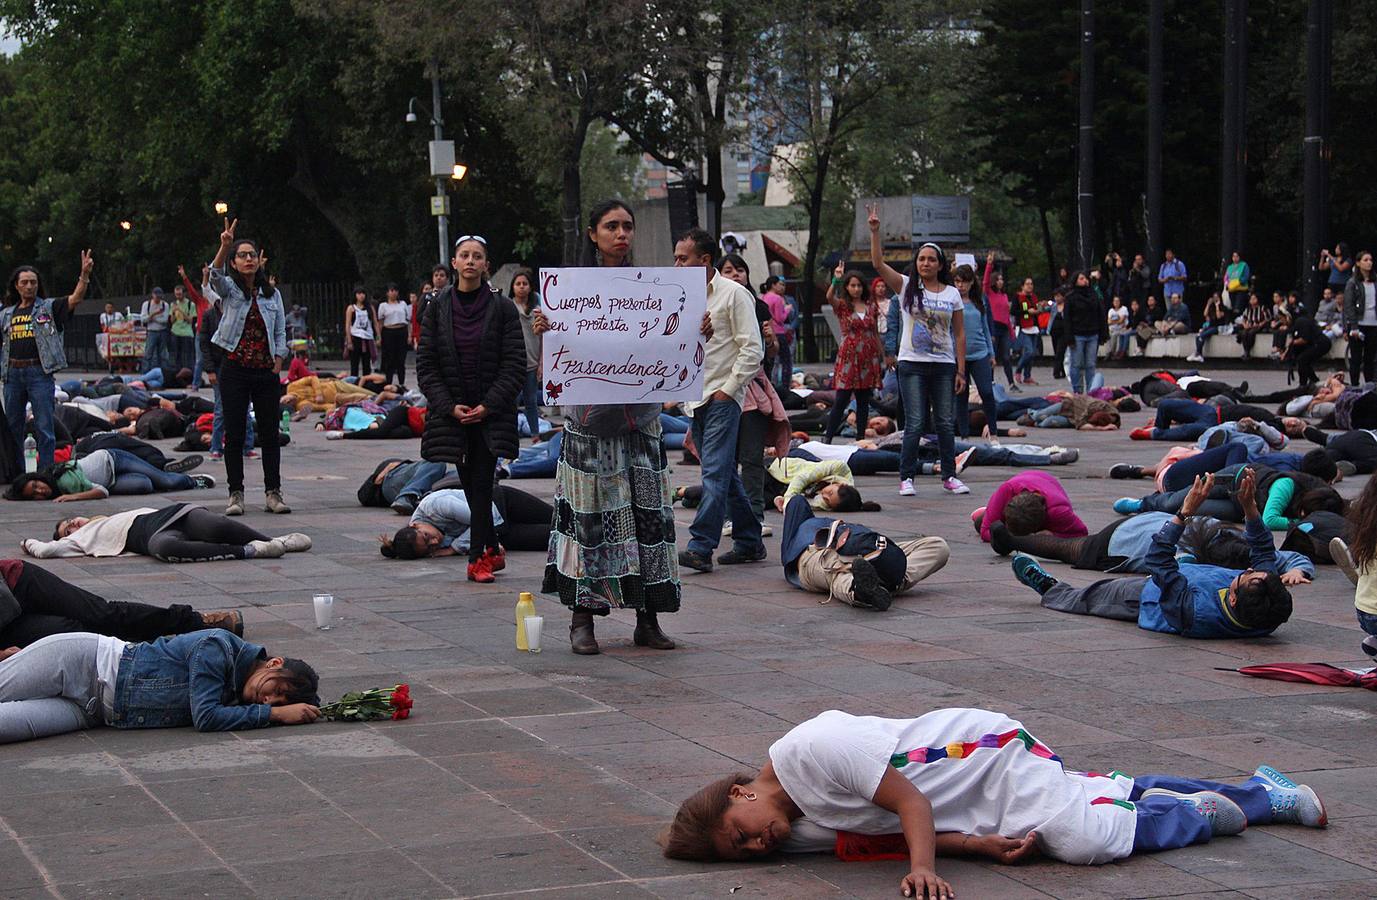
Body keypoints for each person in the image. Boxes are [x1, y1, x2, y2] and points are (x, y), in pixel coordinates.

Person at [659, 708, 1326, 894]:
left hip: (986, 750)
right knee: (1078, 809)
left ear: (738, 792)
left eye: (741, 832)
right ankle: (1214, 790)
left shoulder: (812, 747)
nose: (759, 844)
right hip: (974, 802)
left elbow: (910, 808)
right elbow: (882, 836)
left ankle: (1224, 807)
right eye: (746, 854)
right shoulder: (795, 827)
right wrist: (975, 847)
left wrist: (924, 868)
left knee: (1083, 841)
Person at [535, 200, 702, 655]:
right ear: (593, 233)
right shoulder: (569, 293)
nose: (621, 233)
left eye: (628, 226)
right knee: (586, 522)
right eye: (611, 226)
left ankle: (648, 619)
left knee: (648, 519)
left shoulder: (656, 288)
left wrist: (695, 328)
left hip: (640, 423)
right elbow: (552, 370)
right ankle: (582, 619)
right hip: (588, 429)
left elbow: (676, 347)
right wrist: (546, 332)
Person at [1015, 471, 1293, 639]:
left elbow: (1159, 560)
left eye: (1245, 578)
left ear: (1232, 599)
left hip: (1146, 598)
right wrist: (1250, 508)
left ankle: (1050, 589)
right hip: (1189, 578)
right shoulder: (1267, 608)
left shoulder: (1193, 610)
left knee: (1090, 597)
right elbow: (1263, 553)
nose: (1248, 570)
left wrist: (1184, 512)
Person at [416, 234, 526, 584]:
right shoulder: (437, 307)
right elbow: (426, 365)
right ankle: (492, 548)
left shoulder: (503, 308)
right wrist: (449, 406)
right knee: (469, 485)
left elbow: (514, 364)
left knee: (481, 482)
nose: (470, 261)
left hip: (491, 414)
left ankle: (477, 559)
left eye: (477, 256)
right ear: (454, 263)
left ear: (485, 265)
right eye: (464, 255)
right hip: (453, 415)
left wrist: (488, 405)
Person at [0, 628, 319, 744]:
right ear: (274, 663)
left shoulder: (238, 696)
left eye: (278, 703)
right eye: (278, 689)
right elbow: (206, 717)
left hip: (94, 711)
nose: (269, 699)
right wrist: (276, 716)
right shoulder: (217, 647)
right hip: (81, 662)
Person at [676, 229, 765, 572]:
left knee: (713, 474)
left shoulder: (734, 294)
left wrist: (729, 388)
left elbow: (752, 349)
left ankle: (700, 547)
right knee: (724, 474)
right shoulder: (681, 297)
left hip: (722, 398)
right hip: (694, 399)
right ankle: (749, 540)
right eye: (675, 258)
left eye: (683, 259)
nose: (676, 265)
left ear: (705, 260)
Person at [871, 204, 967, 496]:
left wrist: (961, 371)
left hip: (944, 365)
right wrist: (875, 232)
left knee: (945, 423)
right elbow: (878, 264)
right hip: (912, 364)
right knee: (914, 423)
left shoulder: (952, 294)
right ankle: (906, 477)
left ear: (940, 265)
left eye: (931, 259)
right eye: (922, 259)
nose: (926, 263)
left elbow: (959, 334)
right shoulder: (906, 287)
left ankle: (949, 476)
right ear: (916, 263)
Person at [991, 513, 1317, 590]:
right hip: (1119, 542)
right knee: (1070, 549)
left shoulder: (1224, 532)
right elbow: (1171, 576)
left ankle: (1011, 536)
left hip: (1145, 521)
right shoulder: (1188, 556)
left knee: (1071, 545)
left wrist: (1297, 569)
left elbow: (1289, 557)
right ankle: (1011, 540)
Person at [207, 219, 289, 516]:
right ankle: (235, 494)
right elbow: (214, 276)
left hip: (265, 371)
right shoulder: (230, 290)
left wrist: (279, 358)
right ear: (234, 262)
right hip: (235, 369)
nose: (248, 259)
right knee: (235, 433)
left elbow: (280, 329)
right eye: (242, 255)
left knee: (270, 434)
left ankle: (273, 493)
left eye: (251, 254)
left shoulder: (271, 294)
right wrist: (224, 245)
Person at [0, 559, 243, 653]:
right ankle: (177, 648)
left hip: (15, 583)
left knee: (102, 614)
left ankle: (194, 621)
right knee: (77, 635)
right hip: (6, 628)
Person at [3, 252, 94, 472]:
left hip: (39, 373)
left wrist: (84, 274)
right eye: (24, 282)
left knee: (45, 427)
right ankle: (18, 475)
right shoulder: (6, 314)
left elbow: (75, 299)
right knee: (13, 427)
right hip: (12, 374)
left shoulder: (48, 308)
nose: (29, 286)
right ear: (16, 286)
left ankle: (46, 474)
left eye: (33, 282)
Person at [778, 494, 949, 611]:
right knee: (836, 573)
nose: (825, 495)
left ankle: (881, 582)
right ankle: (868, 590)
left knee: (938, 545)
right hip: (818, 554)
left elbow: (796, 502)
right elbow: (796, 502)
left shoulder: (809, 527)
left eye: (828, 493)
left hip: (870, 549)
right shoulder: (799, 543)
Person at [24, 504, 310, 563]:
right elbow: (46, 550)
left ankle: (275, 541)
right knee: (165, 549)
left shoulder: (108, 517)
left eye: (72, 521)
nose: (74, 526)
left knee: (216, 525)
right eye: (67, 530)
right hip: (151, 538)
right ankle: (250, 550)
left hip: (170, 515)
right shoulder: (80, 540)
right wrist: (27, 542)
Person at [379, 486, 553, 560]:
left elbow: (481, 517)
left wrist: (453, 548)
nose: (435, 542)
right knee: (554, 536)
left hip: (500, 503)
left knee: (558, 518)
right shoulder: (430, 540)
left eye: (427, 537)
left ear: (415, 525)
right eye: (429, 548)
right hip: (496, 532)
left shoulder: (434, 506)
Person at [822, 261, 883, 445]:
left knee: (864, 399)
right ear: (847, 287)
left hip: (868, 356)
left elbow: (875, 332)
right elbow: (829, 297)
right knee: (842, 398)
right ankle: (828, 437)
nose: (856, 289)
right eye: (852, 285)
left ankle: (860, 437)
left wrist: (882, 356)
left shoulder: (871, 307)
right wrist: (836, 280)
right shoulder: (843, 306)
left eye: (859, 286)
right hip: (849, 356)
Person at [5, 449, 215, 500]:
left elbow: (101, 492)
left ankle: (193, 481)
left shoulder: (65, 481)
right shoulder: (56, 489)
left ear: (37, 478)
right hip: (110, 480)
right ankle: (155, 475)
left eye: (36, 486)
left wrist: (74, 497)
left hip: (113, 459)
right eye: (34, 495)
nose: (40, 491)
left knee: (168, 481)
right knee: (145, 486)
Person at [973, 471, 1087, 544]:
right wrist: (1013, 538)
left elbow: (1081, 533)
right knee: (983, 525)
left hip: (1046, 485)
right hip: (1023, 482)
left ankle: (989, 513)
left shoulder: (1058, 511)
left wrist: (1054, 535)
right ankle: (989, 512)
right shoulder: (1007, 490)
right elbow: (985, 532)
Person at [953, 264, 998, 438]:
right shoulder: (950, 301)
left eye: (964, 281)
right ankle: (964, 435)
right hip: (958, 355)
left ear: (971, 282)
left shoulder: (980, 301)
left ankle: (993, 432)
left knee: (986, 392)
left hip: (980, 353)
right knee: (961, 396)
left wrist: (991, 353)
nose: (960, 285)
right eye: (957, 281)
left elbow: (985, 328)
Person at [508, 268, 544, 443]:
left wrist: (542, 362)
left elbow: (544, 337)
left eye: (525, 283)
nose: (521, 287)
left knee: (531, 401)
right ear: (512, 287)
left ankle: (535, 435)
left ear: (530, 287)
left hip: (532, 361)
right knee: (511, 402)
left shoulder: (538, 310)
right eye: (518, 284)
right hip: (513, 363)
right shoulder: (507, 307)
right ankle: (510, 436)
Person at [1061, 271, 1105, 394]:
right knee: (1076, 364)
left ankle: (1091, 391)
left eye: (1085, 278)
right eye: (1081, 278)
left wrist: (1102, 332)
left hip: (1093, 333)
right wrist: (1069, 337)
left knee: (1090, 364)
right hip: (1077, 334)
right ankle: (1078, 390)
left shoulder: (1093, 295)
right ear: (1075, 281)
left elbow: (1100, 313)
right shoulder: (1070, 297)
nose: (1085, 280)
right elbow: (1067, 319)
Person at [357, 458, 450, 514]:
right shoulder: (393, 468)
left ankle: (422, 499)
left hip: (421, 489)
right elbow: (363, 495)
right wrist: (378, 478)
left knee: (454, 476)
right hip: (391, 481)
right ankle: (406, 496)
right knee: (436, 462)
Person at [1342, 250, 1376, 384]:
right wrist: (1353, 326)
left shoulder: (1375, 281)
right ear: (1358, 263)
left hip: (1373, 324)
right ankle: (1355, 386)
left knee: (1370, 358)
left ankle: (1370, 386)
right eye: (1365, 260)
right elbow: (1348, 305)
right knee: (1356, 358)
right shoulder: (1353, 282)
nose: (1369, 263)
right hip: (1358, 324)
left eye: (1371, 260)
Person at [982, 252, 1016, 388]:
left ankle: (1011, 383)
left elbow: (1007, 316)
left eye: (1002, 279)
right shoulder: (989, 293)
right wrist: (989, 264)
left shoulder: (1004, 296)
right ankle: (990, 382)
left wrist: (1012, 332)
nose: (1001, 281)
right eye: (998, 279)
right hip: (994, 327)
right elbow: (985, 282)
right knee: (992, 356)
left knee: (1007, 357)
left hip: (1004, 328)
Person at [1280, 311, 1332, 388]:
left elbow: (1304, 339)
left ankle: (1303, 384)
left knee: (1302, 360)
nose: (1282, 321)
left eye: (1282, 319)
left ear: (1287, 317)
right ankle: (1314, 381)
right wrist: (1285, 353)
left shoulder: (1300, 321)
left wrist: (1292, 342)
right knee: (1304, 361)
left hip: (1321, 344)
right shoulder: (1294, 325)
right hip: (1314, 344)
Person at [762, 276, 795, 391]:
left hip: (768, 331)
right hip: (779, 332)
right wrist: (787, 309)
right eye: (779, 284)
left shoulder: (764, 297)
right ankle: (786, 386)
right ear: (773, 285)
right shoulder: (777, 298)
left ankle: (771, 384)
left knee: (771, 360)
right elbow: (780, 318)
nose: (781, 287)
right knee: (786, 360)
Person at [376, 283, 411, 389]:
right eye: (391, 290)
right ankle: (389, 383)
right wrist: (379, 337)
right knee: (389, 359)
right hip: (389, 331)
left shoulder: (403, 304)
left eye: (395, 290)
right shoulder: (383, 306)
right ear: (387, 293)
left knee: (401, 359)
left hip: (401, 331)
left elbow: (408, 321)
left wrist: (409, 335)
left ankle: (402, 383)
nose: (394, 293)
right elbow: (380, 322)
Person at [345, 286, 379, 378]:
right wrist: (349, 341)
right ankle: (353, 382)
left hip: (367, 338)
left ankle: (366, 382)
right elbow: (348, 325)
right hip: (355, 337)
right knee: (354, 364)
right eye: (359, 293)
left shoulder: (370, 308)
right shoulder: (351, 308)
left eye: (363, 293)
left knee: (366, 364)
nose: (361, 296)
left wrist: (378, 336)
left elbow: (375, 322)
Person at [1011, 277, 1040, 385]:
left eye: (1031, 284)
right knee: (1029, 351)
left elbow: (1036, 310)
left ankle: (1027, 376)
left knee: (1032, 353)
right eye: (1027, 284)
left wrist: (1039, 310)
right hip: (1023, 327)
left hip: (1034, 327)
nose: (1030, 286)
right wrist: (1027, 311)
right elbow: (1013, 311)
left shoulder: (1034, 297)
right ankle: (1018, 370)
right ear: (1022, 286)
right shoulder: (1018, 297)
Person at [1188, 292, 1230, 363]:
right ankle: (1199, 354)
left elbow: (1218, 316)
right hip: (1211, 325)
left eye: (1217, 297)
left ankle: (1198, 353)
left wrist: (1217, 306)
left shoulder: (1223, 308)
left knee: (1202, 336)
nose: (1215, 299)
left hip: (1218, 327)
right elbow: (1205, 314)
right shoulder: (1211, 307)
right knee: (1198, 336)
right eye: (1214, 298)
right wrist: (1208, 304)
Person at [140, 288, 171, 370]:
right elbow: (143, 319)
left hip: (162, 331)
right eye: (156, 297)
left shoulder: (165, 305)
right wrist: (154, 314)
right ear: (153, 295)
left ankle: (164, 372)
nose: (158, 299)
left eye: (160, 297)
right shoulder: (146, 304)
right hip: (151, 331)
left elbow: (165, 320)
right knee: (148, 353)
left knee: (163, 354)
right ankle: (146, 372)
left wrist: (152, 318)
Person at [170, 285, 197, 371]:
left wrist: (180, 310)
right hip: (175, 331)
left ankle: (188, 372)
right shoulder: (173, 304)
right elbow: (171, 321)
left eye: (179, 294)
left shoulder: (190, 305)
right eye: (176, 294)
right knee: (176, 356)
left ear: (184, 294)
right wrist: (173, 312)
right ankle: (177, 372)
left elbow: (190, 321)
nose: (178, 296)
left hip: (186, 333)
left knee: (187, 356)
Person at [1235, 292, 1269, 358]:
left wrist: (1260, 324)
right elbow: (1244, 318)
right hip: (1249, 325)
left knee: (1251, 333)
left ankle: (1247, 350)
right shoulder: (1247, 309)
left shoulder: (1263, 308)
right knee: (1244, 333)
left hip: (1258, 325)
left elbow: (1267, 319)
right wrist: (1245, 325)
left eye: (1254, 298)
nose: (1252, 300)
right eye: (1251, 299)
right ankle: (1246, 351)